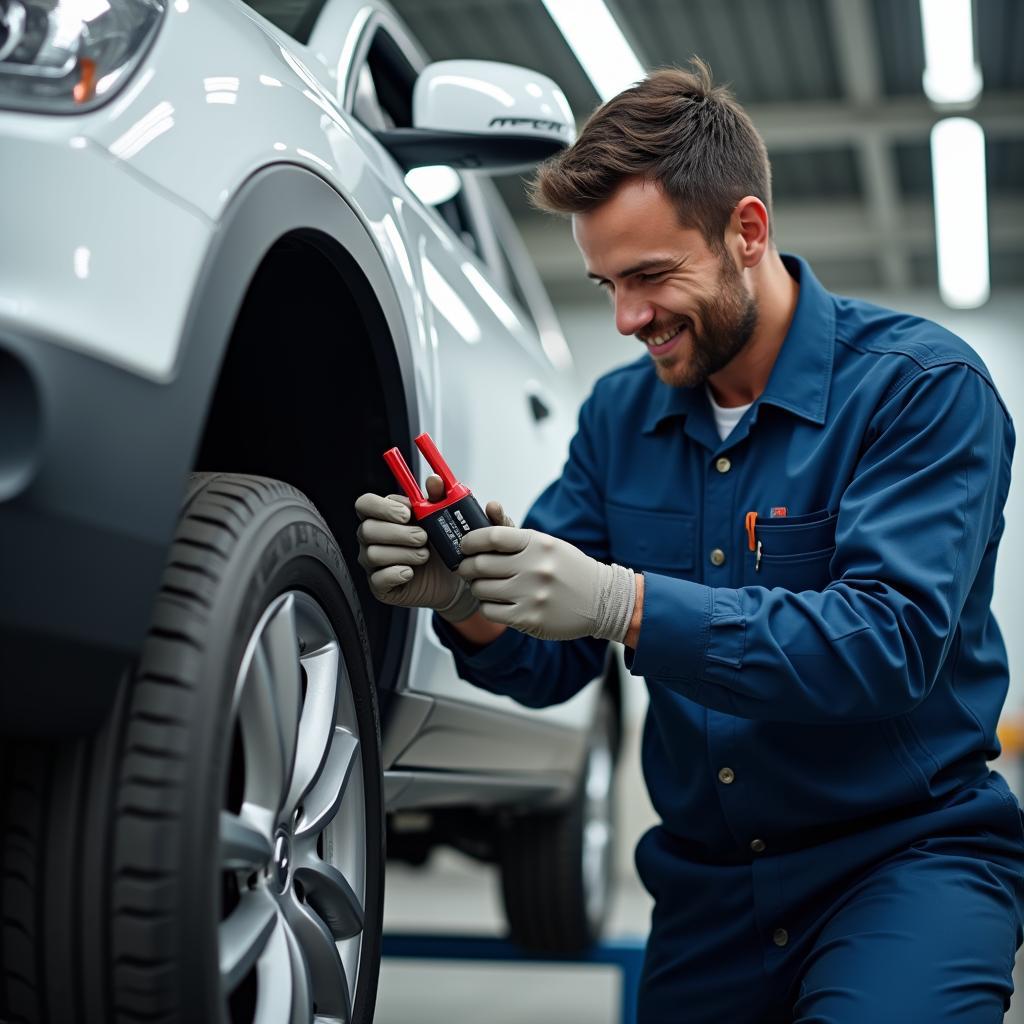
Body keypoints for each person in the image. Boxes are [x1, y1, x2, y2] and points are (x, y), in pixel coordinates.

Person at [355, 60, 1023, 1022]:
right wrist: (468, 601)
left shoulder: (921, 391)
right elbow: (554, 667)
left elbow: (888, 645)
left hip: (905, 865)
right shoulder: (620, 418)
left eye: (651, 277)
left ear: (746, 231)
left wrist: (627, 603)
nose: (627, 319)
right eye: (606, 284)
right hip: (707, 893)